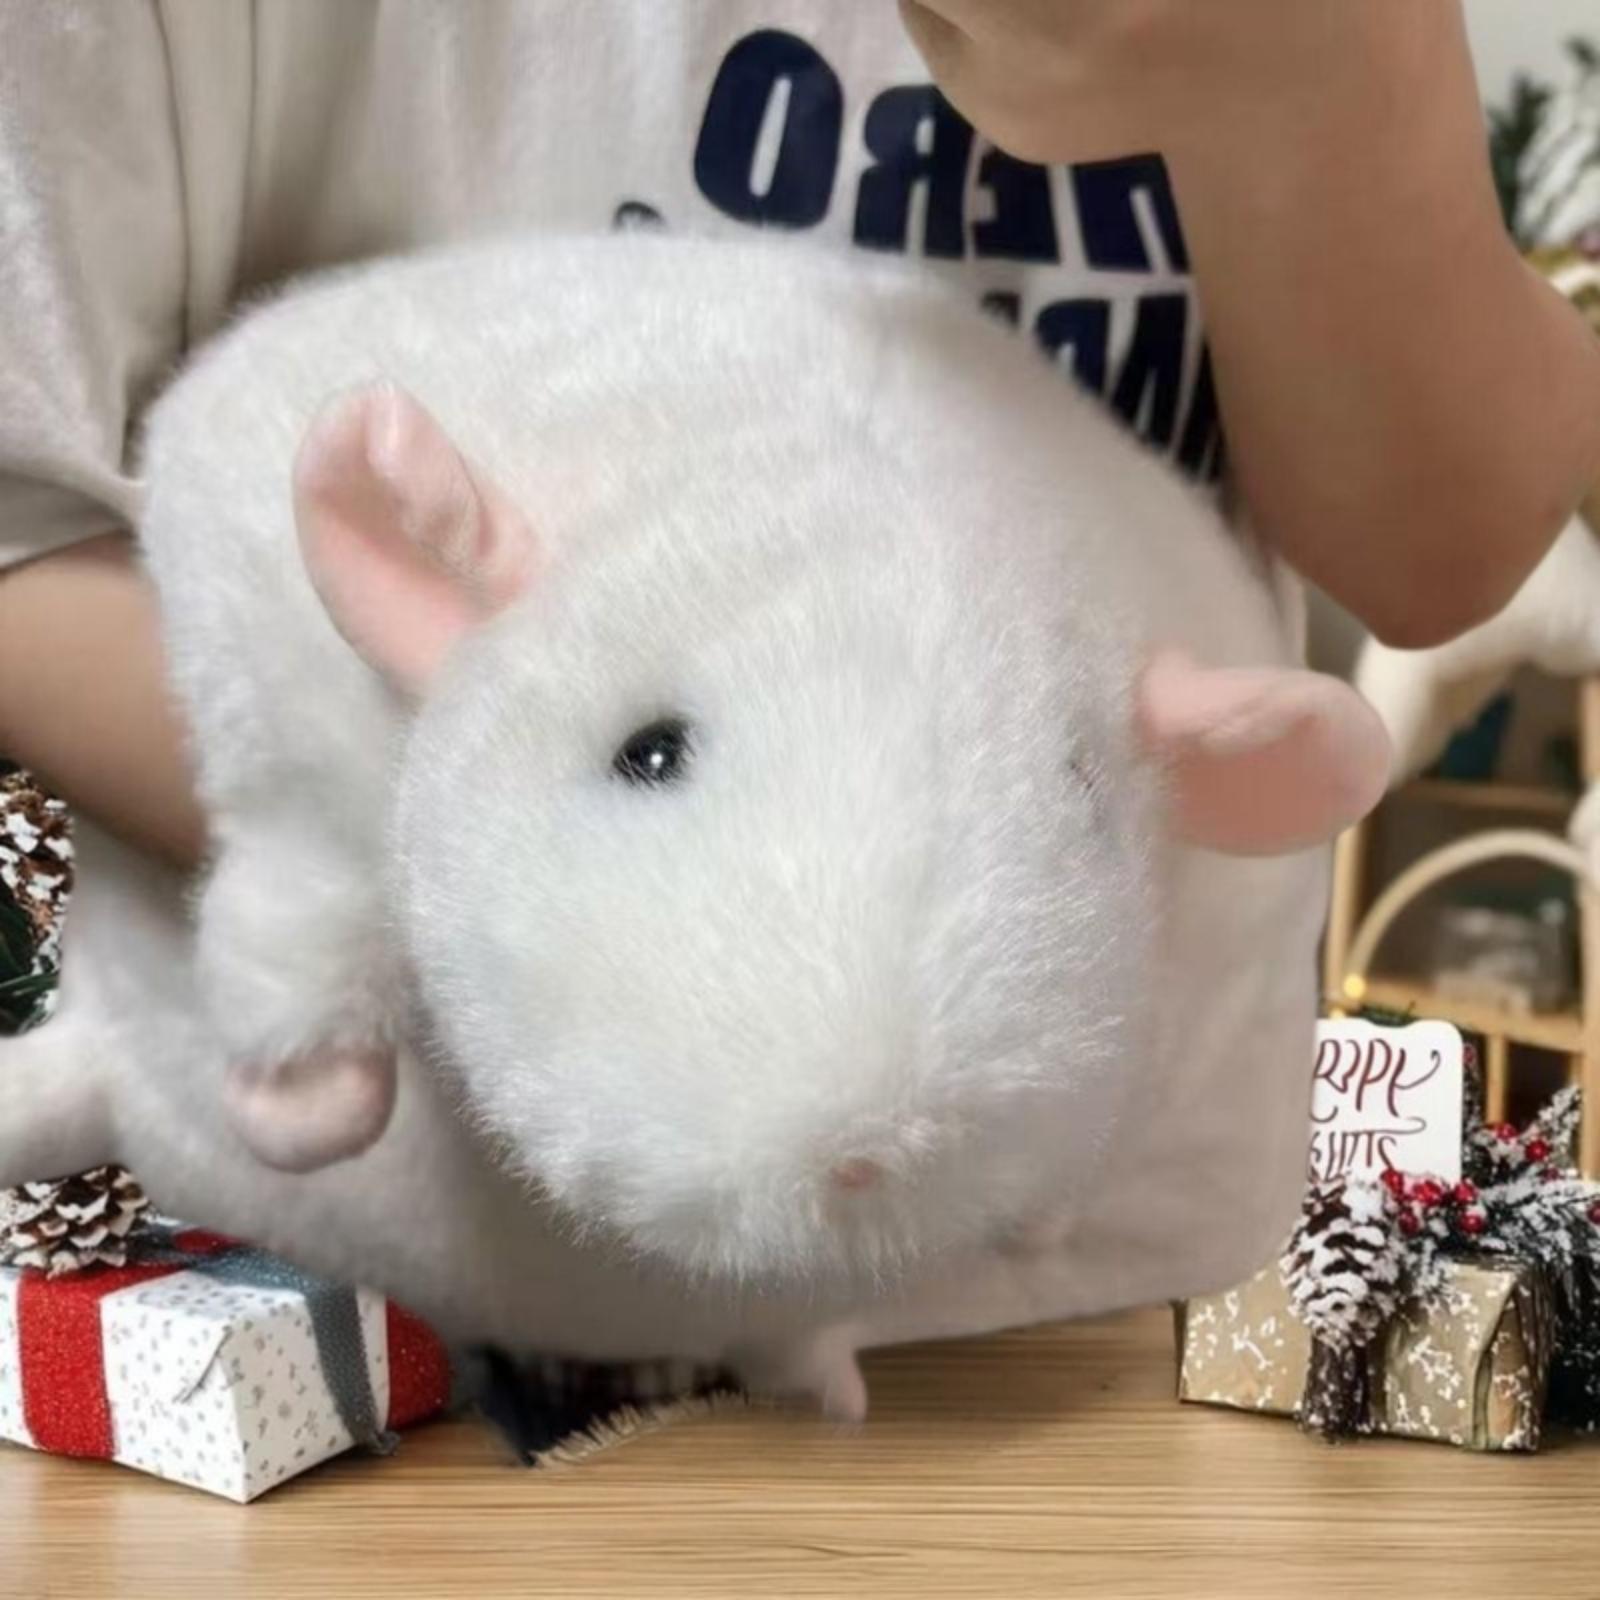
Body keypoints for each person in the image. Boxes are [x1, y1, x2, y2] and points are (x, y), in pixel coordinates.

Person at [2, 0, 1597, 871]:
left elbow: (1437, 557)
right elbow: (27, 532)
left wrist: (1342, 63)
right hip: (401, 1268)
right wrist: (558, 904)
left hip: (1123, 1254)